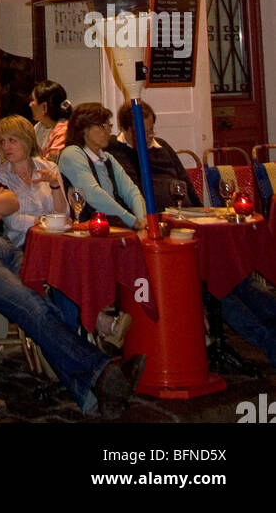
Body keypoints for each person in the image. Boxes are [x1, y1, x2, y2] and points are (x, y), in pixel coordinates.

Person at [0, 104, 145, 417]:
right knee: (33, 305)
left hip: (6, 247)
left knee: (56, 291)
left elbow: (10, 203)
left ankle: (94, 395)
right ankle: (104, 370)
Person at [107, 101, 276, 367]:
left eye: (152, 130)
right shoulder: (117, 154)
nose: (150, 136)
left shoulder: (163, 147)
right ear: (127, 130)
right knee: (215, 288)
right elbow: (134, 194)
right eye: (145, 132)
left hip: (189, 225)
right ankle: (270, 343)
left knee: (234, 273)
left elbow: (186, 185)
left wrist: (202, 214)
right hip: (161, 234)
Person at [59, 103, 146, 230]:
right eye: (102, 126)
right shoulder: (72, 154)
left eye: (109, 125)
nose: (109, 131)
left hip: (111, 226)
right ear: (84, 129)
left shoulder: (107, 158)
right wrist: (133, 221)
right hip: (87, 230)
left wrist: (143, 221)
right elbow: (94, 194)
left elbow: (131, 192)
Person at [106, 101, 201, 212]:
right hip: (150, 216)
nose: (147, 138)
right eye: (140, 133)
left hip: (183, 212)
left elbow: (186, 184)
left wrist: (201, 212)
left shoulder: (162, 146)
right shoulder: (113, 148)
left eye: (150, 131)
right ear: (124, 129)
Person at [0, 115, 66, 248]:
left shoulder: (49, 168)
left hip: (54, 239)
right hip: (21, 244)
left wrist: (55, 185)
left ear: (27, 140)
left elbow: (64, 214)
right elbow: (12, 221)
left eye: (12, 140)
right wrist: (45, 222)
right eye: (2, 141)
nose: (6, 147)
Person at [29, 80, 72, 160]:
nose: (30, 104)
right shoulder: (39, 127)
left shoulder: (64, 131)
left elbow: (51, 162)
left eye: (33, 100)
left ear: (44, 107)